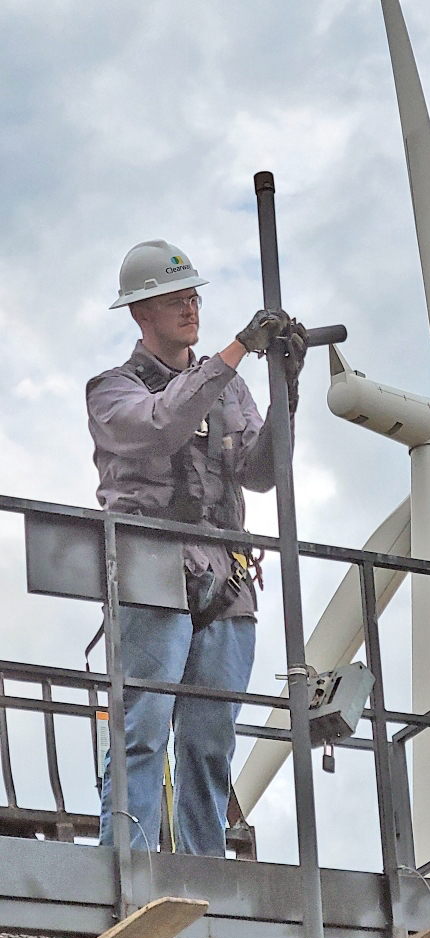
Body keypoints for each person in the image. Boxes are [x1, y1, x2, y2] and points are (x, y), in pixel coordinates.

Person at [86, 239, 306, 856]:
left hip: (226, 579)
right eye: (173, 298)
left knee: (210, 745)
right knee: (143, 729)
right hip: (150, 569)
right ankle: (122, 868)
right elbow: (162, 425)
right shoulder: (111, 389)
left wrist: (288, 383)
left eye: (192, 295)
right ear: (141, 314)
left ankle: (206, 874)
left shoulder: (229, 389)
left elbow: (261, 471)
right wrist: (235, 354)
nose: (189, 305)